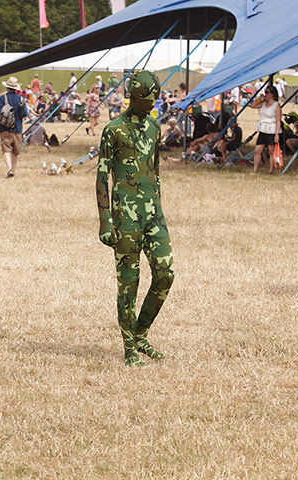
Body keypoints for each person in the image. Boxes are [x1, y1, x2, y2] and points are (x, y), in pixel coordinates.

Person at [96, 70, 174, 367]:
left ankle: (141, 333)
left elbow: (154, 170)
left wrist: (159, 206)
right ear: (134, 97)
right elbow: (102, 177)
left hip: (153, 214)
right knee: (129, 282)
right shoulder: (114, 129)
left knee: (165, 274)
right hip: (124, 217)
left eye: (155, 98)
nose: (152, 104)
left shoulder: (155, 127)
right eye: (147, 99)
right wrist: (105, 220)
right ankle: (129, 345)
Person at [0, 77, 28, 178]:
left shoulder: (3, 98)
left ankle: (9, 169)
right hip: (17, 128)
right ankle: (13, 170)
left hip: (5, 127)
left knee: (6, 150)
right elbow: (25, 114)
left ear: (7, 88)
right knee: (15, 152)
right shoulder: (21, 99)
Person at [248, 85, 281, 174]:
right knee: (258, 150)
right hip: (263, 129)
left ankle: (271, 170)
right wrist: (260, 99)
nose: (265, 94)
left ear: (272, 94)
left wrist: (277, 134)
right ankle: (255, 170)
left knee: (271, 151)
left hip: (271, 129)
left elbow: (278, 121)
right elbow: (252, 105)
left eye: (267, 92)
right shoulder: (263, 104)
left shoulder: (276, 105)